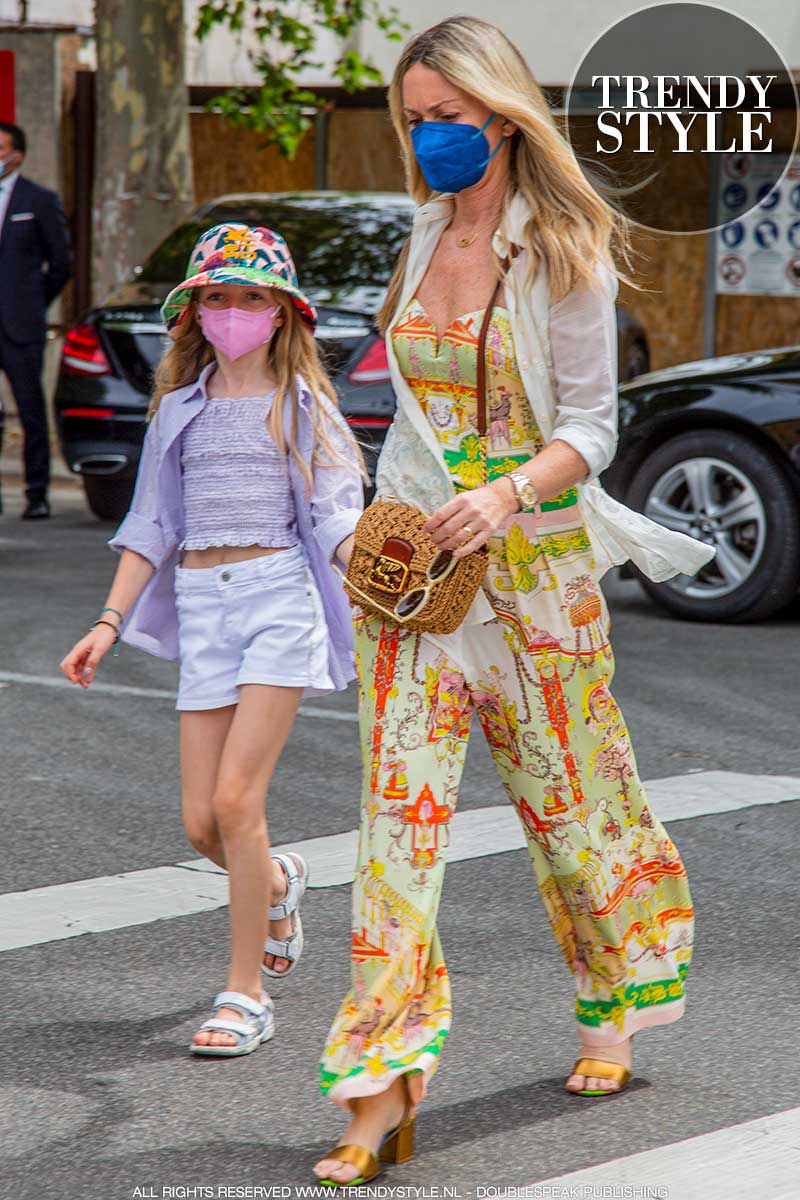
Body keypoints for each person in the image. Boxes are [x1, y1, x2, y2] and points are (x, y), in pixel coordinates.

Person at [313, 17, 716, 1185]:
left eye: (447, 116)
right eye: (414, 119)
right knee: (396, 830)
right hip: (420, 584)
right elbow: (401, 406)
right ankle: (378, 1089)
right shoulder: (417, 233)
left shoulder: (561, 247)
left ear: (500, 114)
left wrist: (502, 498)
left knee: (572, 811)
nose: (429, 137)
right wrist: (366, 514)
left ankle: (610, 1002)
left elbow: (592, 425)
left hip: (535, 578)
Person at [60, 223, 365, 1056]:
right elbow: (151, 525)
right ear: (194, 313)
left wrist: (378, 569)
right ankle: (277, 882)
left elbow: (340, 518)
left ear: (282, 315)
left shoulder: (306, 412)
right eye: (218, 296)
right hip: (203, 604)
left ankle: (244, 994)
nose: (234, 311)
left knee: (238, 803)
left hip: (278, 600)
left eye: (252, 297)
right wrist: (108, 622)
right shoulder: (178, 413)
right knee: (203, 825)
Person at [0, 120, 73, 519]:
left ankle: (37, 494)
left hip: (20, 324)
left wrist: (33, 302)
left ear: (17, 155)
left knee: (30, 411)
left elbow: (61, 263)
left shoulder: (39, 200)